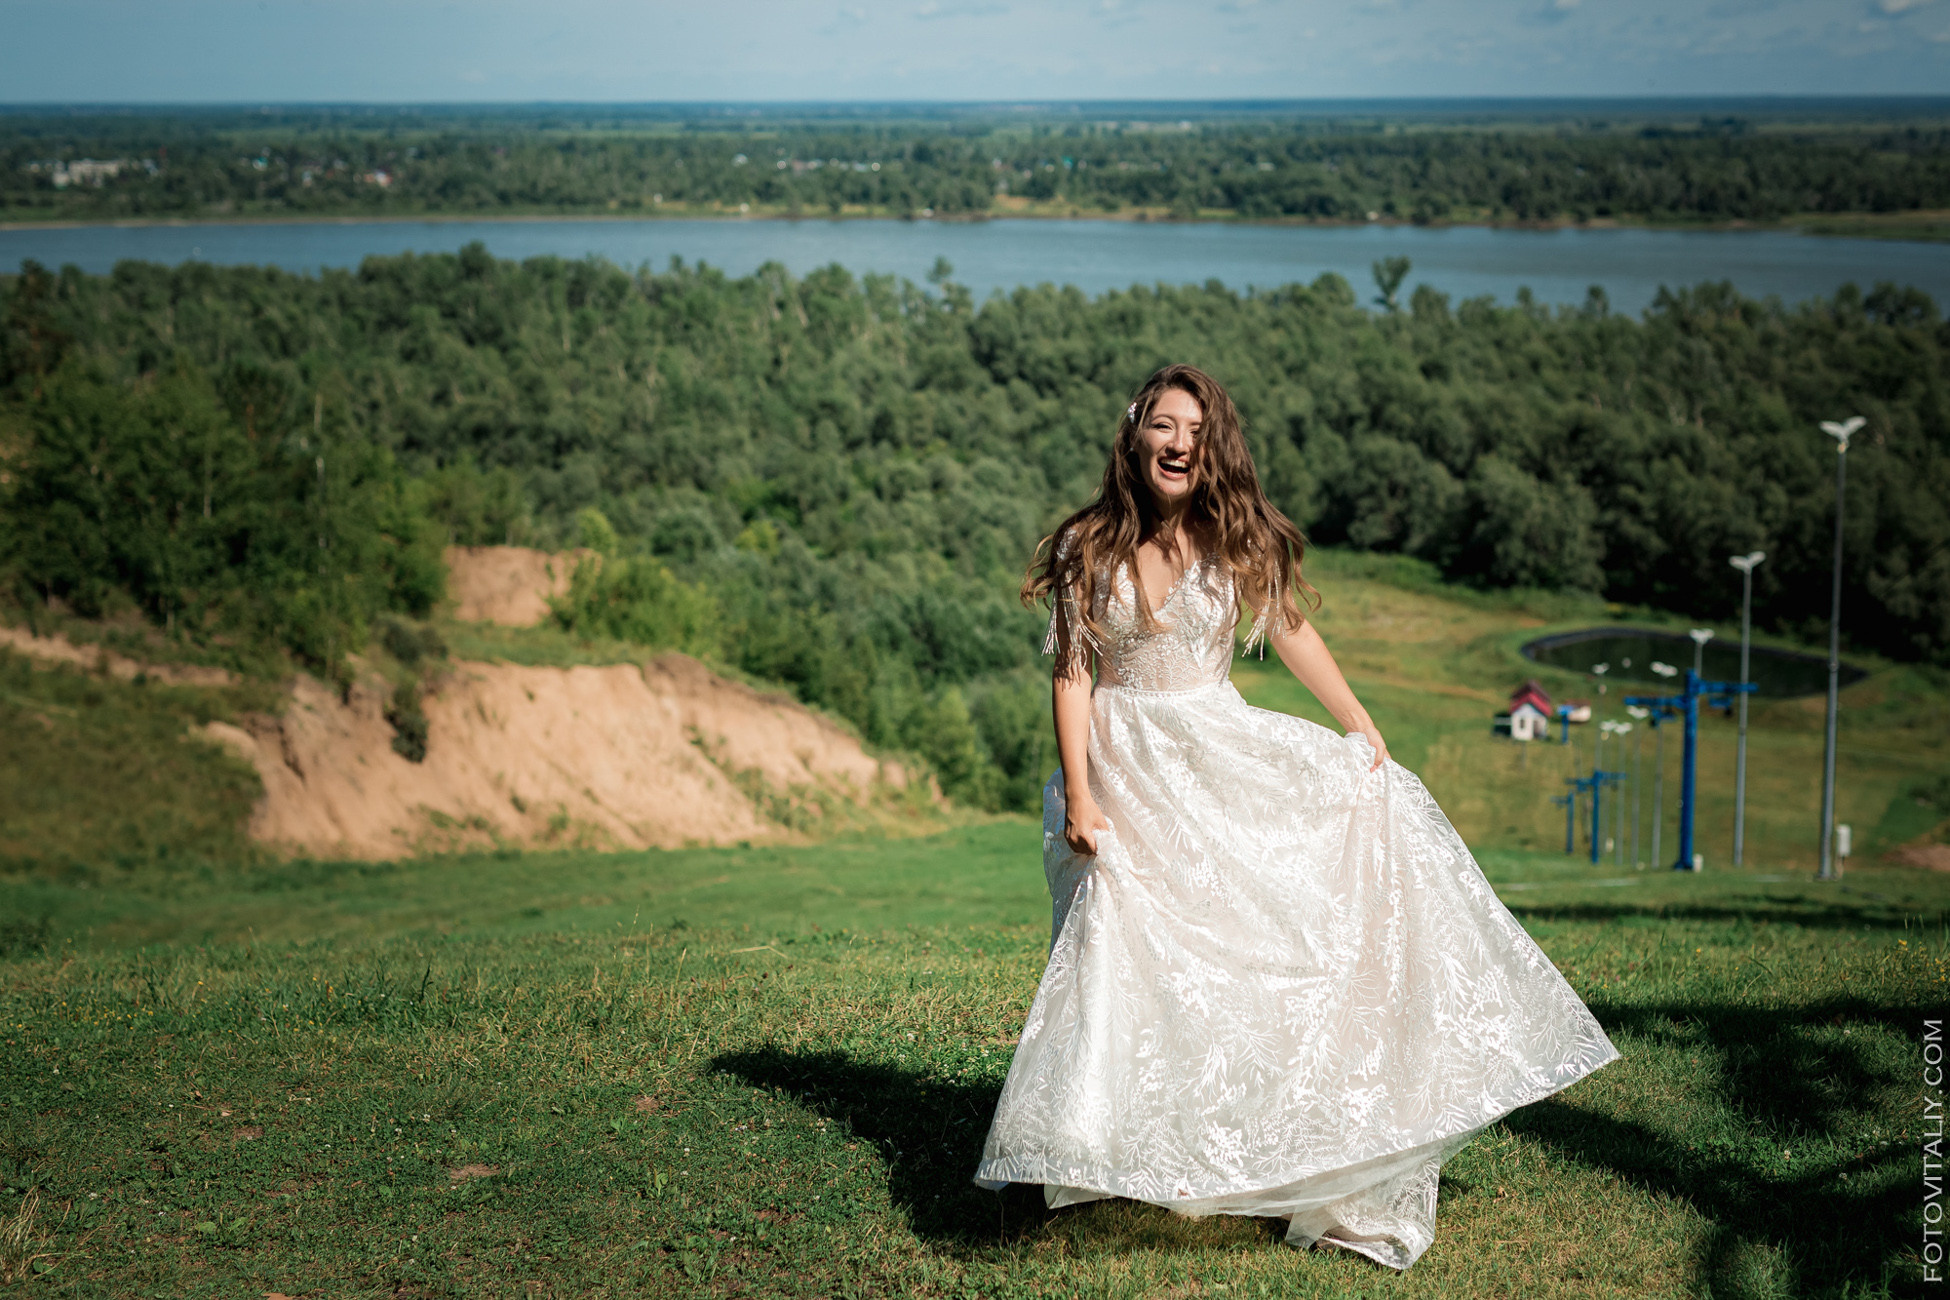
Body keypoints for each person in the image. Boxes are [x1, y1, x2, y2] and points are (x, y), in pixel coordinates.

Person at [971, 364, 1619, 1270]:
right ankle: (1091, 1147)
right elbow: (1073, 672)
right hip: (1123, 773)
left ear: (1213, 448)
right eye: (1163, 425)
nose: (1178, 443)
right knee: (1120, 948)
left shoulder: (1229, 536)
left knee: (1240, 948)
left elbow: (1289, 628)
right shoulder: (1088, 544)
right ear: (1135, 436)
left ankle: (1256, 1139)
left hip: (1212, 758)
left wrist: (1357, 721)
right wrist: (1079, 791)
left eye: (1195, 431)